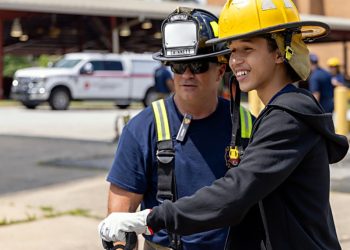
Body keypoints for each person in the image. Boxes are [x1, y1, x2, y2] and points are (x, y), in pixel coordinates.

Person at [98, 1, 349, 249]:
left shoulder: (287, 118)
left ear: (279, 52)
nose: (235, 60)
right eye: (232, 50)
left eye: (247, 49)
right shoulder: (280, 112)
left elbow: (235, 193)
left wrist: (150, 218)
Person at [101, 7, 252, 250]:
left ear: (221, 70)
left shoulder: (247, 125)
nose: (187, 74)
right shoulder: (143, 128)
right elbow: (121, 208)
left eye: (199, 65)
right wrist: (120, 242)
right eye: (179, 66)